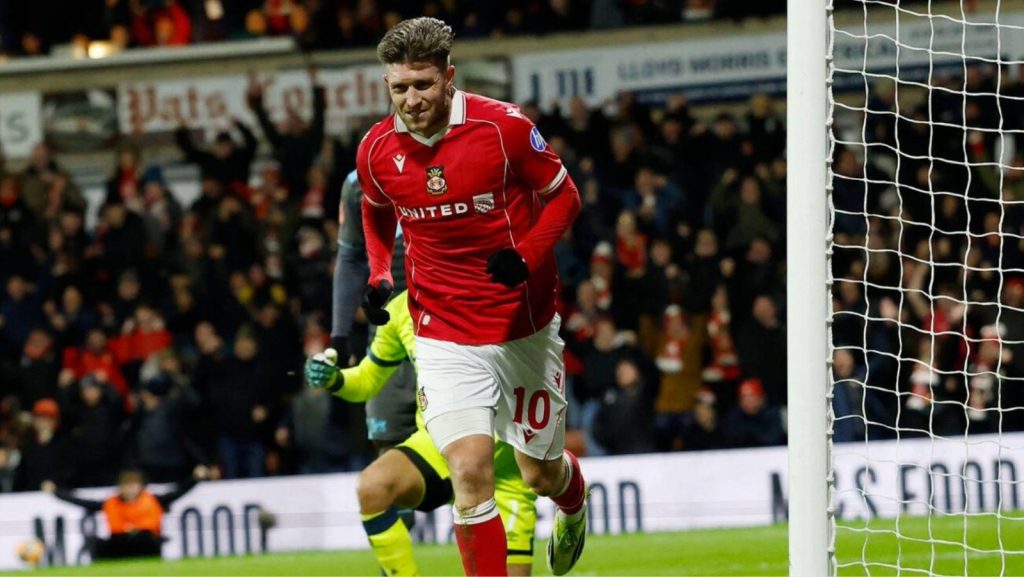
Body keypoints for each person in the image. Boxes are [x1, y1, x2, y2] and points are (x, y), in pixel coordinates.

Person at [352, 17, 587, 576]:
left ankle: (574, 506)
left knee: (538, 474)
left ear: (449, 77)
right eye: (399, 88)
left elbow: (565, 198)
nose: (411, 100)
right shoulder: (376, 150)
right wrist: (380, 271)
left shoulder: (501, 129)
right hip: (443, 330)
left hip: (520, 327)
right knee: (470, 471)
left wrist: (526, 256)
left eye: (423, 85)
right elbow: (376, 209)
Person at [306, 291, 538, 576]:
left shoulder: (489, 290)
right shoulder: (400, 309)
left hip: (504, 461)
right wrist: (336, 379)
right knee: (373, 487)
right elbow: (369, 378)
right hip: (440, 443)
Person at [44, 467, 208, 559]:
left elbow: (178, 492)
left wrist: (195, 479)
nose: (129, 490)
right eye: (126, 485)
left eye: (133, 485)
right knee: (100, 545)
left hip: (145, 541)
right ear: (120, 487)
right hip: (120, 543)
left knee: (147, 539)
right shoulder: (110, 503)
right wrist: (57, 492)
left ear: (140, 487)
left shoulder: (154, 500)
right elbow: (81, 502)